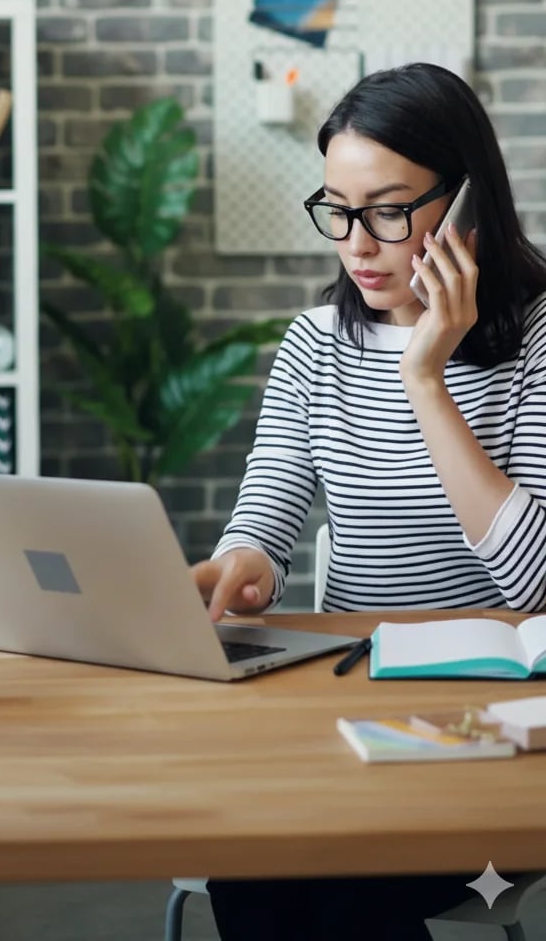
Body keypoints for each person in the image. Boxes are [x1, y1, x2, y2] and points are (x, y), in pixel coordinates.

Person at [192, 61, 546, 941]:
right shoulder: (316, 342)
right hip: (355, 714)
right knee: (256, 867)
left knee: (344, 887)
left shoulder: (540, 339)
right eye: (337, 211)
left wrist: (426, 375)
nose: (355, 244)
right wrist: (244, 563)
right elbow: (269, 506)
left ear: (468, 203)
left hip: (504, 741)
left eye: (388, 210)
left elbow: (533, 580)